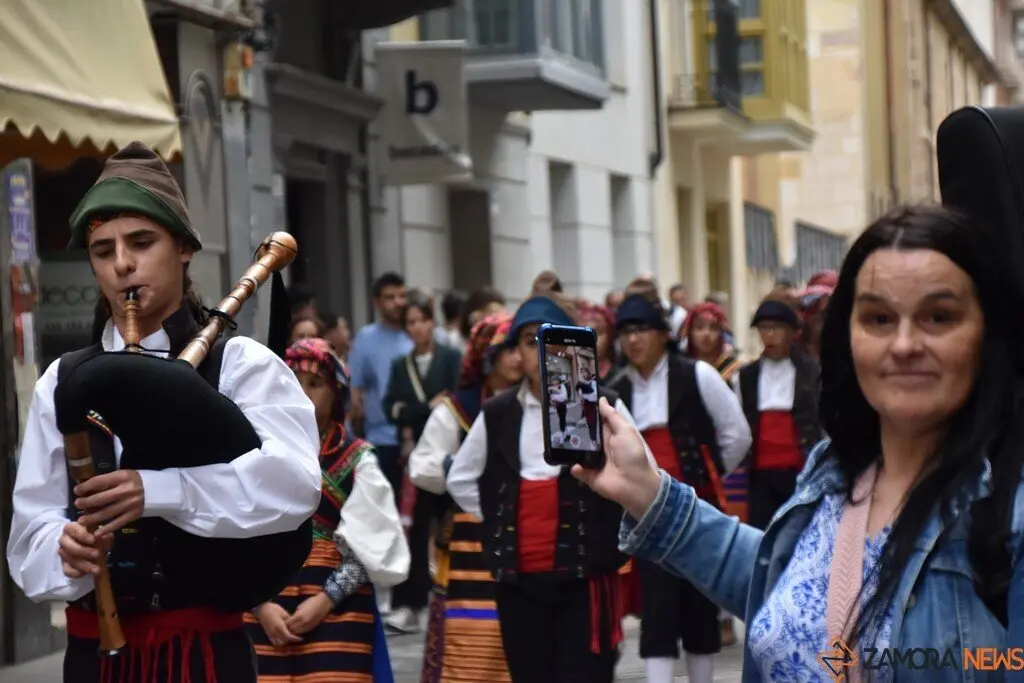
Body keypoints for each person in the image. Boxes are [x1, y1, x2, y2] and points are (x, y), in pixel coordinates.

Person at [574, 205, 1024, 681]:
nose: (905, 344)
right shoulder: (835, 469)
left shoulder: (1007, 509)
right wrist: (647, 492)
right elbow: (787, 585)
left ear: (988, 333)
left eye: (938, 316)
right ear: (847, 338)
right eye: (879, 318)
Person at [5, 141, 322, 682]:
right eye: (103, 251)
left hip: (202, 656)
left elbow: (293, 487)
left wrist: (157, 492)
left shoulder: (241, 365)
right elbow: (28, 534)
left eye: (141, 242)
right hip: (94, 659)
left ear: (184, 249)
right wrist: (66, 549)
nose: (122, 264)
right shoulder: (63, 380)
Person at [446, 294, 648, 683]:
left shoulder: (602, 405)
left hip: (584, 581)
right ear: (516, 354)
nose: (538, 350)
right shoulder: (499, 412)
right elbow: (461, 478)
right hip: (520, 584)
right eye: (527, 341)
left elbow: (643, 471)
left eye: (546, 338)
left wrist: (607, 521)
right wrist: (504, 514)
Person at [246, 338, 409, 681]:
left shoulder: (357, 459)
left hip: (337, 609)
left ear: (336, 393)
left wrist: (325, 600)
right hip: (266, 597)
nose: (302, 392)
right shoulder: (251, 451)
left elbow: (371, 546)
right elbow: (235, 535)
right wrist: (261, 606)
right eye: (292, 381)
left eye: (315, 384)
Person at [609, 294, 751, 683]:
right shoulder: (615, 389)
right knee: (657, 607)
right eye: (625, 332)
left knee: (700, 603)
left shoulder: (697, 375)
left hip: (696, 505)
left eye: (641, 330)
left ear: (662, 335)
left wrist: (708, 476)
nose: (633, 340)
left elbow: (737, 434)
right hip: (646, 510)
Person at [410, 311, 521, 683]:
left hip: (524, 534)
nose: (516, 358)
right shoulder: (456, 410)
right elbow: (421, 466)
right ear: (486, 357)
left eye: (519, 347)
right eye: (505, 349)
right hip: (467, 543)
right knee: (468, 635)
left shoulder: (534, 403)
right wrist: (467, 468)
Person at [382, 293, 463, 634]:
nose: (417, 328)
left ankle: (459, 596)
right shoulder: (402, 365)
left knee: (455, 524)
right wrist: (425, 408)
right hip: (417, 456)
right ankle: (408, 604)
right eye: (411, 323)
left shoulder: (452, 358)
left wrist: (421, 409)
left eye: (422, 320)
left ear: (433, 321)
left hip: (449, 453)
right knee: (413, 530)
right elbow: (391, 408)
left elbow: (458, 399)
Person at [680, 301, 745, 645]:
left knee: (724, 539)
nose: (705, 335)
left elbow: (735, 425)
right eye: (699, 327)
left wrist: (720, 465)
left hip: (724, 467)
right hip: (692, 465)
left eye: (712, 328)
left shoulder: (731, 370)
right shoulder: (678, 369)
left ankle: (723, 615)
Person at [738, 292, 823, 530]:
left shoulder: (810, 370)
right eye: (764, 328)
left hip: (800, 468)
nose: (771, 335)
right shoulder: (746, 376)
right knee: (761, 532)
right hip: (760, 472)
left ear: (791, 331)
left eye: (777, 328)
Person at [348, 272, 413, 494]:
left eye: (402, 296)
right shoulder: (365, 338)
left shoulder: (416, 334)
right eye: (390, 297)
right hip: (381, 439)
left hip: (419, 435)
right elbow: (356, 391)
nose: (398, 303)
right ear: (377, 302)